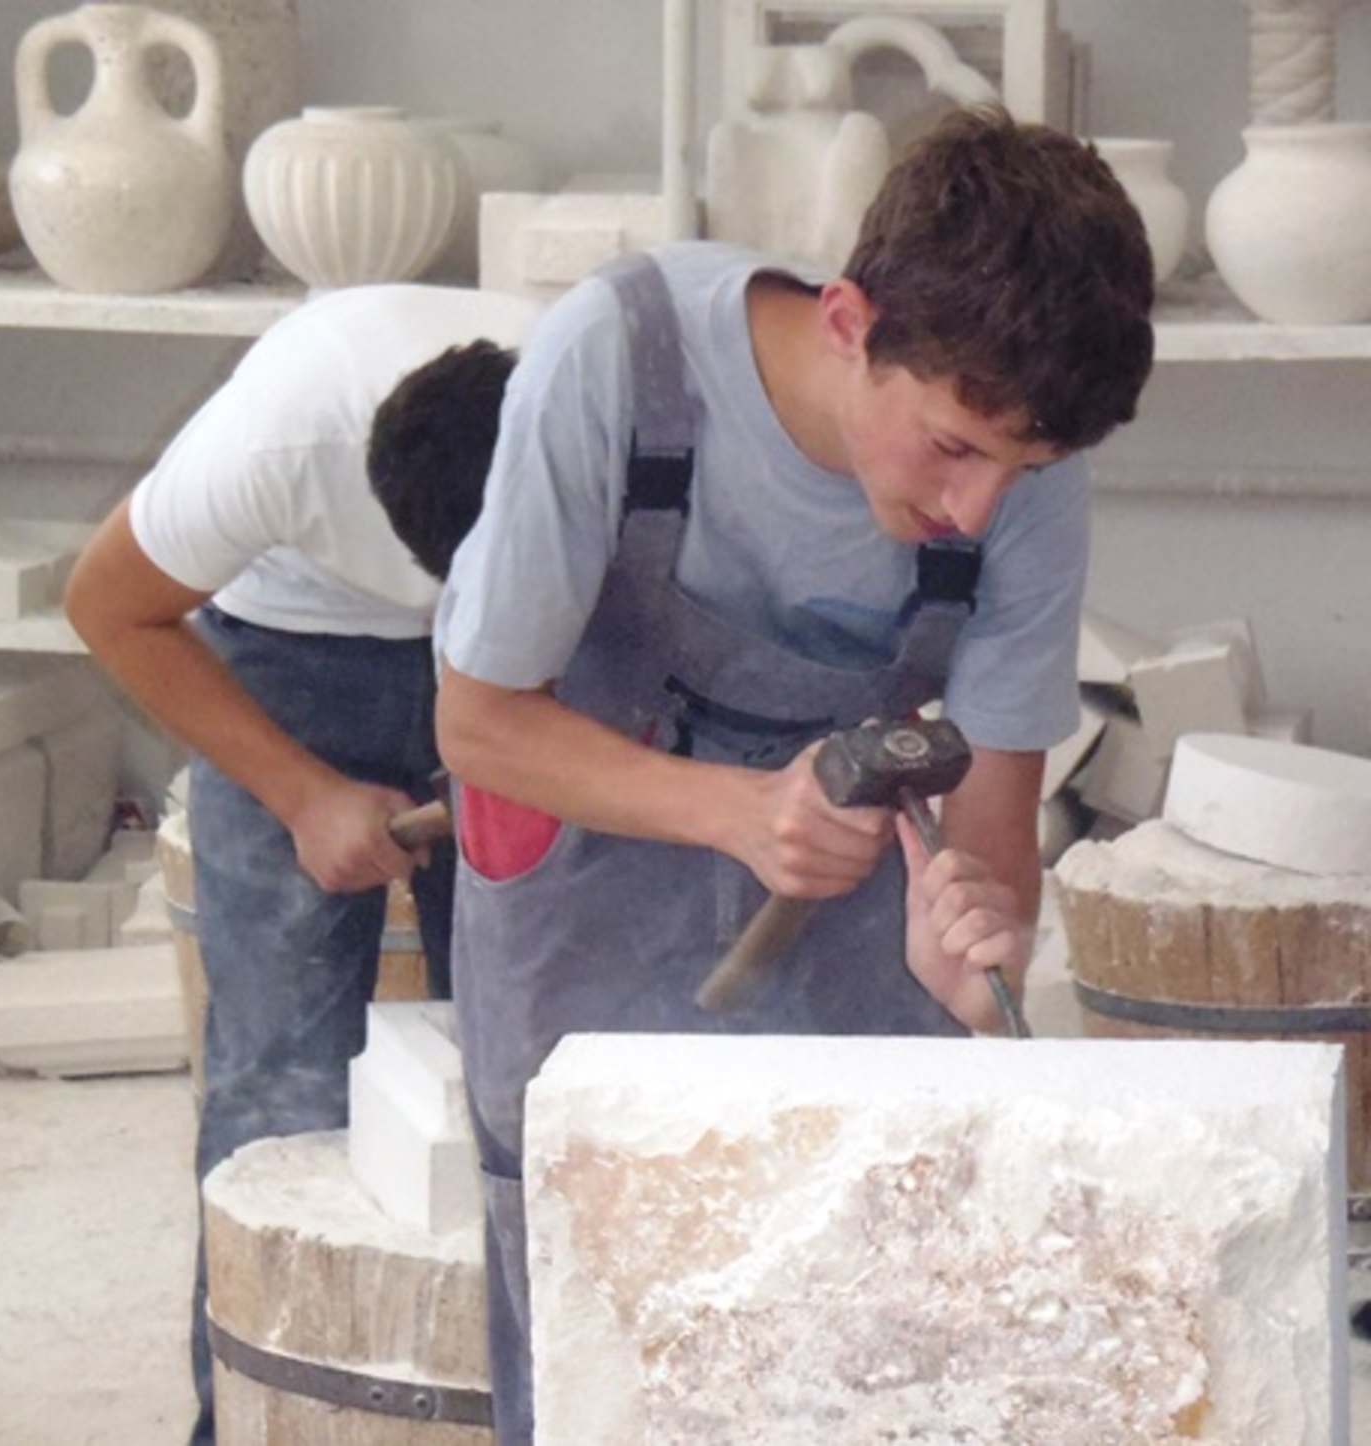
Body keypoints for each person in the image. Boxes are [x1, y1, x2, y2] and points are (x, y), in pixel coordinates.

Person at [431, 105, 1156, 1442]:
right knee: (608, 1332)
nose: (978, 507)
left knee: (865, 1343)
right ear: (846, 323)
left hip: (845, 921)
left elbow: (994, 814)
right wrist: (741, 814)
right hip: (589, 897)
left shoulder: (1021, 463)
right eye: (951, 445)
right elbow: (478, 721)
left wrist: (976, 948)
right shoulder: (621, 359)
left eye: (1023, 466)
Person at [62, 284, 537, 1446]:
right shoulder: (280, 432)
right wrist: (302, 792)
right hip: (281, 652)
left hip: (512, 666)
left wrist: (535, 758)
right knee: (279, 1084)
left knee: (527, 1061)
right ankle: (248, 1422)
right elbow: (109, 607)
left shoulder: (598, 429)